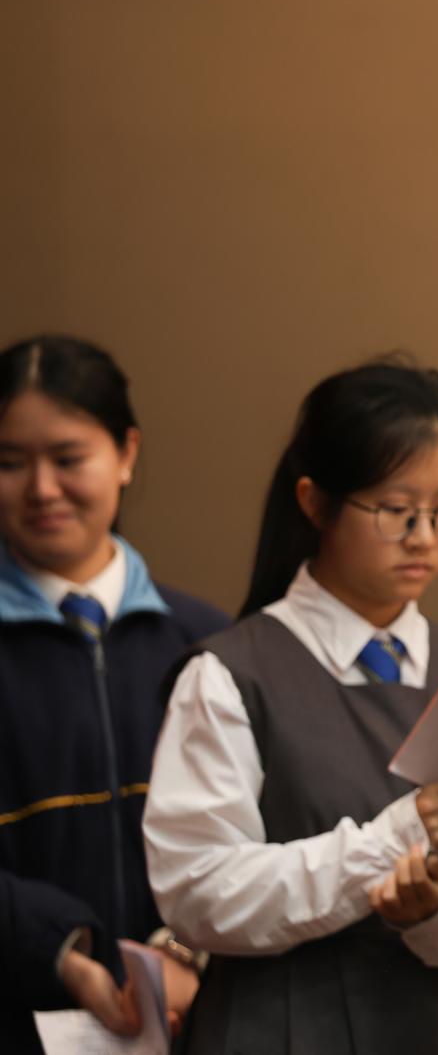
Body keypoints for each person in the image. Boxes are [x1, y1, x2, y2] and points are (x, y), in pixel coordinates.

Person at [142, 358, 438, 1054]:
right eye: (396, 511)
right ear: (314, 502)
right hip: (279, 1027)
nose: (424, 537)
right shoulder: (231, 673)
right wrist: (384, 846)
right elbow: (196, 889)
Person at [0, 335, 228, 1054]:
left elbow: (253, 836)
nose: (42, 488)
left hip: (195, 1021)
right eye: (10, 462)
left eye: (68, 458)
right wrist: (60, 949)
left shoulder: (205, 642)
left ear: (126, 453)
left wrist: (185, 950)